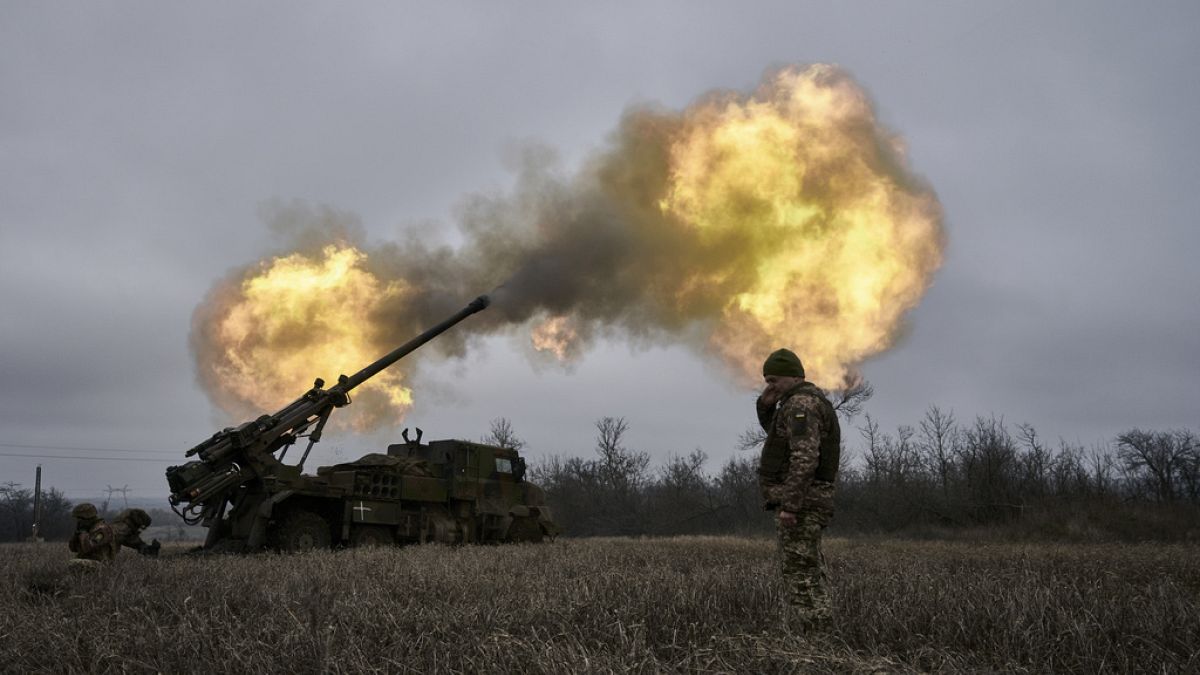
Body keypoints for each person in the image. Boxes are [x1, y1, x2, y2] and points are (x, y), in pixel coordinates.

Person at [755, 348, 841, 631]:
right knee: (809, 569)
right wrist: (766, 407)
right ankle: (822, 632)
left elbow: (804, 457)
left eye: (774, 380)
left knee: (799, 572)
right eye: (767, 380)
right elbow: (780, 438)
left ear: (794, 376)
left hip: (803, 504)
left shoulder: (800, 405)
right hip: (809, 501)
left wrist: (791, 505)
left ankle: (816, 639)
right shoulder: (800, 402)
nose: (770, 385)